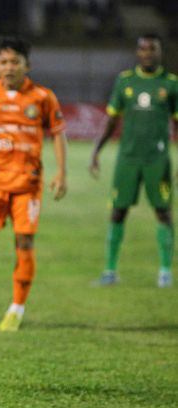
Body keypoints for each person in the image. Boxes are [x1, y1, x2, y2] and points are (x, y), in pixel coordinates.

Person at [0, 37, 68, 332]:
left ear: (27, 66)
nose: (9, 67)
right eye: (4, 62)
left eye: (15, 62)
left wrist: (61, 172)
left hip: (27, 184)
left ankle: (17, 307)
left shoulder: (43, 97)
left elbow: (58, 134)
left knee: (24, 242)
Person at [90, 33, 177, 288]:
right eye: (143, 49)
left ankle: (164, 271)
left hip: (157, 159)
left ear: (160, 52)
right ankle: (110, 271)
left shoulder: (171, 84)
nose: (148, 53)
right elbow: (112, 120)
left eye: (153, 49)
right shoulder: (125, 81)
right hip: (127, 159)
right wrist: (97, 150)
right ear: (137, 52)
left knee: (163, 212)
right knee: (117, 211)